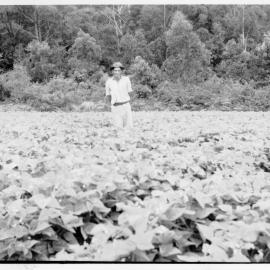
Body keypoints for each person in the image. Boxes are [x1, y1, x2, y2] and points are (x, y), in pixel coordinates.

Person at [105, 62, 133, 129]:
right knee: (118, 128)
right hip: (116, 107)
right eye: (115, 70)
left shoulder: (126, 80)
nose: (117, 72)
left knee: (128, 128)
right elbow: (108, 95)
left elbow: (130, 92)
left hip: (126, 106)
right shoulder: (109, 82)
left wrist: (129, 104)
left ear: (121, 71)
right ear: (112, 71)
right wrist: (110, 105)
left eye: (118, 70)